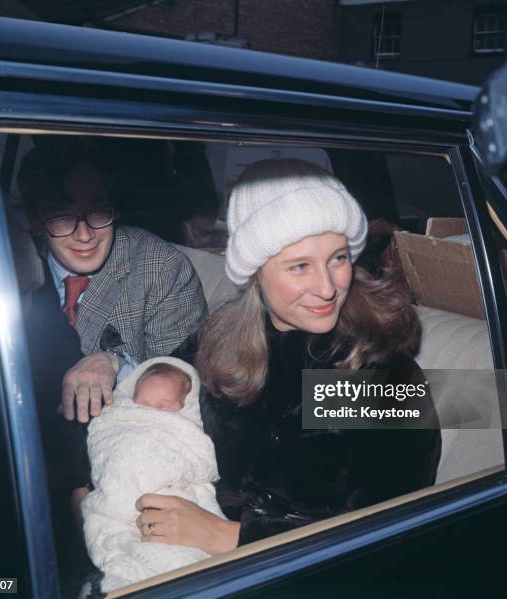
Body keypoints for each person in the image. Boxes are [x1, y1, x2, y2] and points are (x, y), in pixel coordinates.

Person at [133, 158, 442, 553]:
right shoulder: (221, 339)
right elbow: (145, 407)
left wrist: (228, 537)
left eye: (339, 258)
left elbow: (388, 535)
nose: (328, 287)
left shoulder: (374, 372)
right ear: (255, 272)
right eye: (300, 266)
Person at [17, 144, 207, 423]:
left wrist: (115, 363)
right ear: (35, 220)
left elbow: (188, 386)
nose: (85, 235)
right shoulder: (15, 270)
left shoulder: (160, 267)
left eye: (97, 212)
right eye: (62, 217)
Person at [81, 357, 225, 592]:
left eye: (162, 407)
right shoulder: (120, 420)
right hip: (114, 505)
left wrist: (225, 535)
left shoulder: (309, 376)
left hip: (180, 508)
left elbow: (198, 460)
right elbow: (101, 441)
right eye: (142, 404)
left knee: (175, 563)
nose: (148, 412)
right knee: (118, 561)